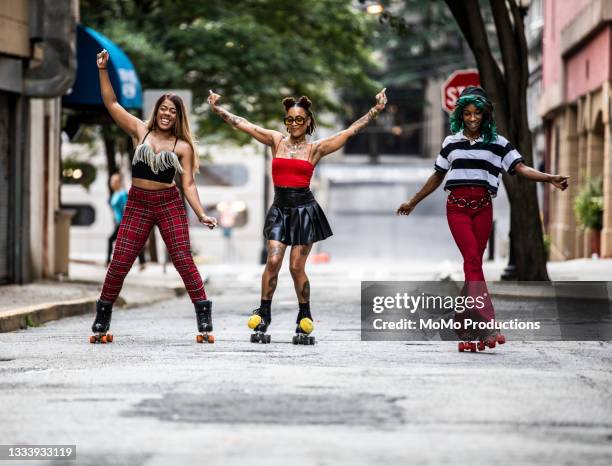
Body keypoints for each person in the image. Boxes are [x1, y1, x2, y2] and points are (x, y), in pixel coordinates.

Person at [208, 88, 387, 344]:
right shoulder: (275, 141)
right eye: (289, 120)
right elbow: (244, 124)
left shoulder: (315, 149)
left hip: (304, 212)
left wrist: (375, 110)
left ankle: (305, 315)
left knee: (295, 267)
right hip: (280, 210)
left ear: (308, 122)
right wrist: (218, 109)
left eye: (299, 120)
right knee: (273, 260)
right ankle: (264, 313)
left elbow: (349, 132)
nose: (294, 124)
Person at [396, 86, 568, 352]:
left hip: (483, 208)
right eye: (467, 113)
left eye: (477, 113)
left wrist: (549, 178)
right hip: (458, 208)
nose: (473, 118)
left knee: (472, 268)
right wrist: (413, 201)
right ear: (461, 115)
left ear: (486, 114)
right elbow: (437, 176)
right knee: (473, 262)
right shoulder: (451, 142)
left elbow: (520, 168)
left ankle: (464, 324)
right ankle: (488, 324)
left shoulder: (499, 143)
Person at [90, 49, 218, 344]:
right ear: (157, 110)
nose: (166, 114)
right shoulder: (140, 131)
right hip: (137, 203)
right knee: (120, 259)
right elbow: (111, 103)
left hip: (168, 203)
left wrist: (201, 213)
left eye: (172, 111)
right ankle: (102, 317)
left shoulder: (183, 146)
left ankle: (203, 316)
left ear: (177, 117)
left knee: (183, 259)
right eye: (163, 109)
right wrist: (102, 70)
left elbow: (188, 186)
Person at [106, 172, 146, 270]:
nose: (112, 183)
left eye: (115, 181)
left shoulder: (122, 194)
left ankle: (109, 262)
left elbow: (126, 207)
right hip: (119, 222)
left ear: (119, 182)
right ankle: (142, 262)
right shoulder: (115, 194)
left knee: (112, 240)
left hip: (123, 222)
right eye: (111, 181)